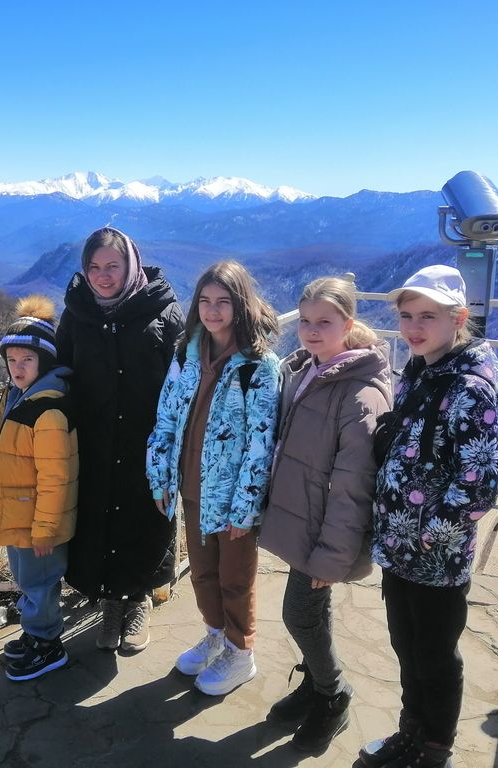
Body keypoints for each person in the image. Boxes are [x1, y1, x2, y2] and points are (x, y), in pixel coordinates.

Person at [361, 265, 498, 768]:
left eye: (428, 316)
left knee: (435, 657)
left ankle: (434, 749)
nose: (414, 327)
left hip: (435, 558)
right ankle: (412, 733)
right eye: (407, 316)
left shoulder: (469, 388)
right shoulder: (422, 369)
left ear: (457, 319)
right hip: (400, 544)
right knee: (406, 645)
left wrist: (428, 538)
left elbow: (478, 485)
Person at [259, 276, 392, 751]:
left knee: (298, 614)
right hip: (306, 518)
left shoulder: (359, 394)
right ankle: (317, 685)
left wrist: (332, 556)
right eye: (306, 321)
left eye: (325, 323)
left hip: (324, 530)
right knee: (312, 610)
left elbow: (355, 486)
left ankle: (333, 694)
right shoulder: (309, 370)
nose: (312, 331)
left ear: (348, 325)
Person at [146, 261, 280, 696]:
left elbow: (261, 443)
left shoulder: (258, 366)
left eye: (223, 301)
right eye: (205, 300)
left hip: (232, 495)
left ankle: (241, 652)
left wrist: (246, 507)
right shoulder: (186, 353)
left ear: (241, 306)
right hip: (191, 486)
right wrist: (160, 477)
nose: (213, 310)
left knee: (234, 578)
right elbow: (166, 416)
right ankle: (216, 636)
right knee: (203, 573)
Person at [57, 227, 185, 652]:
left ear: (131, 265)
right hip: (93, 440)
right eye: (94, 267)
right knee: (99, 519)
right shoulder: (77, 314)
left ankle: (139, 598)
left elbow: (183, 377)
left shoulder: (163, 312)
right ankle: (112, 601)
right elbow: (62, 372)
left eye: (112, 266)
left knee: (145, 518)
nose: (103, 276)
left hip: (147, 442)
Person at [0, 296, 78, 682]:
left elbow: (56, 478)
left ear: (45, 362)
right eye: (12, 360)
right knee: (28, 580)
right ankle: (36, 634)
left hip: (38, 521)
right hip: (19, 512)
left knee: (41, 583)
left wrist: (46, 530)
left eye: (27, 360)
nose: (18, 368)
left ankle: (47, 644)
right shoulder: (18, 396)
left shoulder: (47, 409)